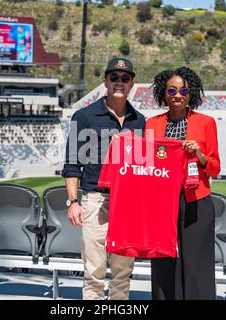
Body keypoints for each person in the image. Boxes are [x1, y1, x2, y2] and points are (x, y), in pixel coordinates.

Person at [62, 57, 146, 300]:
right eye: (114, 78)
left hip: (127, 204)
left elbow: (143, 168)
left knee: (123, 273)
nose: (119, 82)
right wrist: (72, 201)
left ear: (131, 83)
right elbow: (71, 164)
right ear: (105, 82)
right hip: (95, 201)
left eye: (125, 78)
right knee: (94, 272)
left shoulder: (140, 120)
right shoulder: (84, 116)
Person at [145, 66, 221, 300]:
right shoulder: (151, 124)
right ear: (163, 93)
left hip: (196, 200)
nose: (178, 95)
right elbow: (147, 166)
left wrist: (199, 154)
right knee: (164, 261)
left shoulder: (206, 123)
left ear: (191, 93)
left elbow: (215, 169)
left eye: (183, 90)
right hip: (162, 203)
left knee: (196, 263)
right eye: (172, 90)